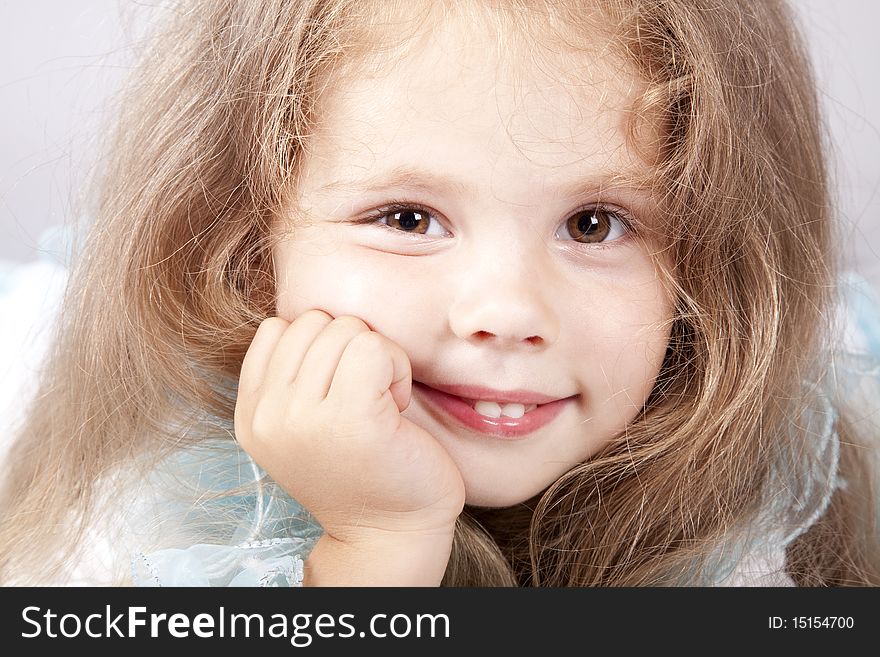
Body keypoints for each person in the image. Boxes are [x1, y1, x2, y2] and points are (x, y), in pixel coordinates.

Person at [0, 0, 878, 587]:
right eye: (409, 218)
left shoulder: (780, 501)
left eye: (594, 224)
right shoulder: (164, 514)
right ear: (243, 238)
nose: (504, 311)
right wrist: (376, 541)